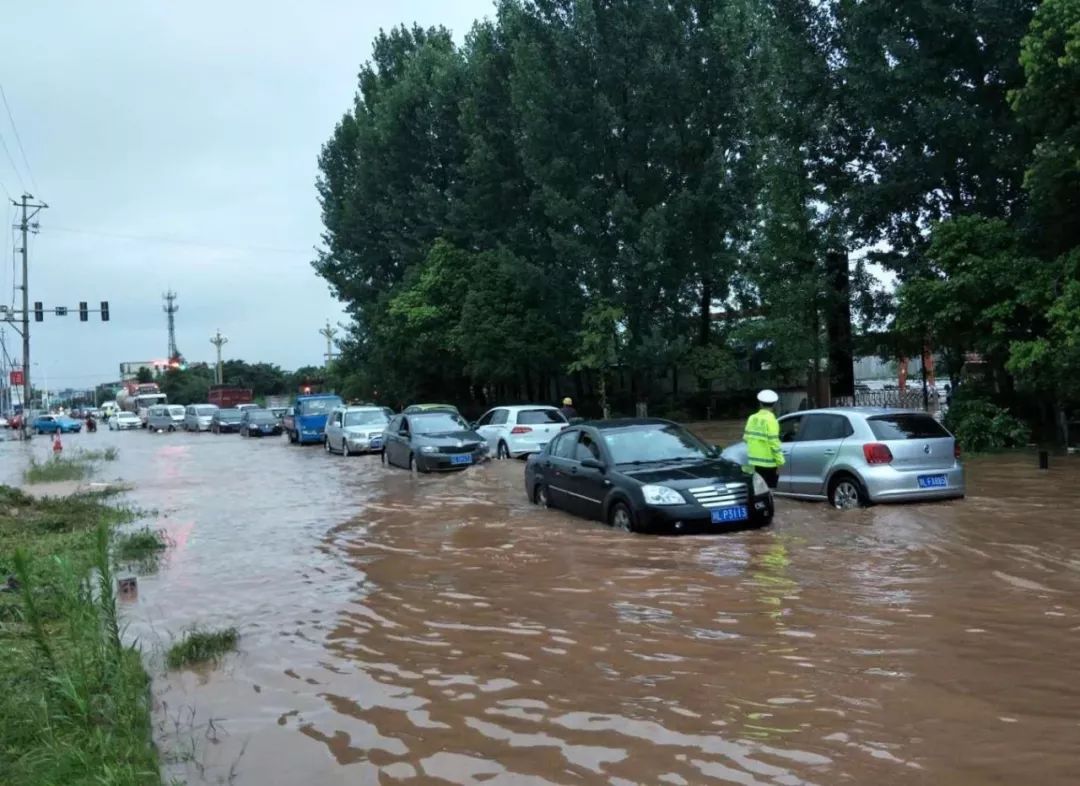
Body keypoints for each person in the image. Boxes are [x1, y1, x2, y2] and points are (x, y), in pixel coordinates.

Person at [743, 389, 784, 489]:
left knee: (755, 489)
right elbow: (774, 443)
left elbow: (745, 438)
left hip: (752, 463)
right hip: (768, 464)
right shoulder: (771, 420)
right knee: (768, 490)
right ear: (774, 405)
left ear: (760, 403)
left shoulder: (752, 418)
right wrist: (780, 461)